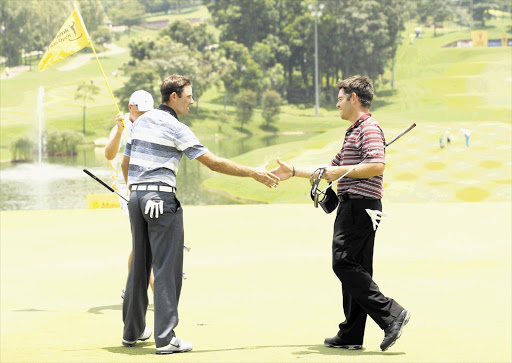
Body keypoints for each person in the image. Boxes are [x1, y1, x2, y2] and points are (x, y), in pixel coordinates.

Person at [121, 74, 280, 355]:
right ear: (174, 97)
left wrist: (135, 192)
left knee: (139, 266)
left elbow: (126, 162)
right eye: (189, 96)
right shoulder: (175, 126)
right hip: (160, 199)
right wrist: (254, 172)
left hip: (135, 197)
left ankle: (132, 332)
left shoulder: (139, 121)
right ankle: (166, 338)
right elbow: (214, 164)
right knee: (167, 269)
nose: (192, 101)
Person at [271, 75, 410, 352]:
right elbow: (327, 169)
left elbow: (377, 165)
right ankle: (351, 334)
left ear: (354, 98)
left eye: (340, 98)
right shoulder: (354, 132)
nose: (337, 104)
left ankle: (392, 313)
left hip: (362, 205)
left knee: (343, 263)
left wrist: (338, 172)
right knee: (357, 270)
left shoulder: (368, 128)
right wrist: (294, 171)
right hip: (354, 205)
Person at [104, 90, 156, 297]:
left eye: (147, 112)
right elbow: (109, 154)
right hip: (127, 191)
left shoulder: (151, 125)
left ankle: (131, 288)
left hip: (149, 187)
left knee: (142, 242)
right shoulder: (121, 127)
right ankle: (159, 296)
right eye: (140, 111)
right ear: (130, 108)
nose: (144, 115)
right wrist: (118, 131)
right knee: (145, 240)